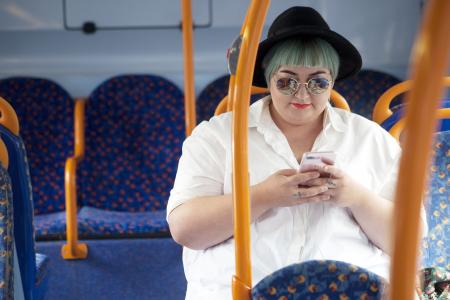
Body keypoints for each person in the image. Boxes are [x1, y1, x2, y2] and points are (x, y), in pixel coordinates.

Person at [167, 6, 427, 300]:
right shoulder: (216, 137)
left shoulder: (371, 140)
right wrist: (264, 195)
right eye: (287, 82)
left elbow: (409, 241)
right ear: (268, 78)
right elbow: (185, 230)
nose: (302, 94)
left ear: (332, 81)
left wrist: (356, 197)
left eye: (318, 82)